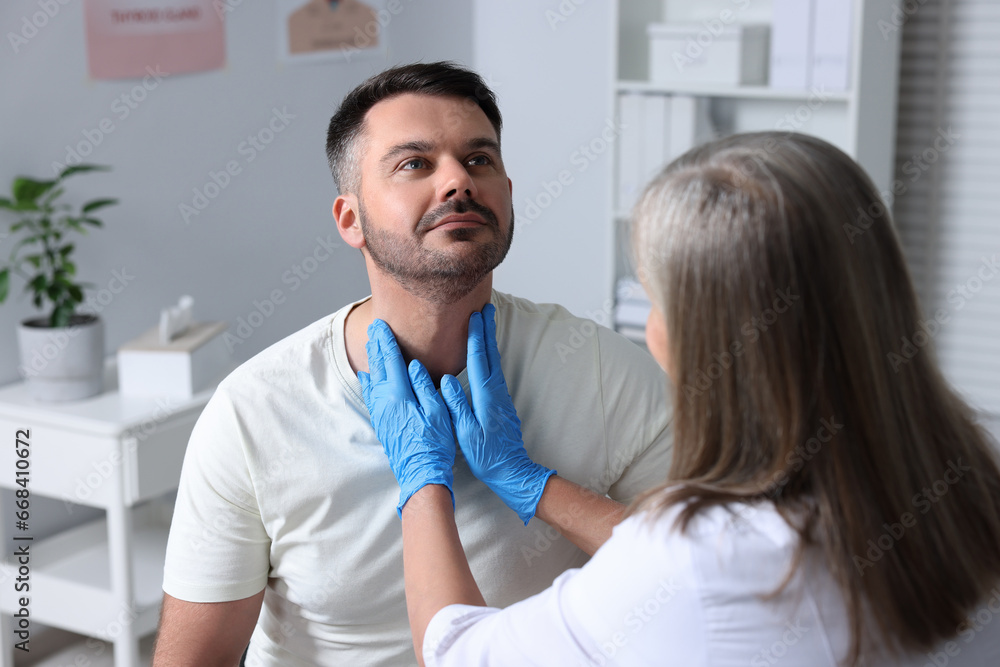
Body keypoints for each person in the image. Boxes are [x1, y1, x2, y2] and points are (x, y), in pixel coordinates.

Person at [360, 132, 1000, 666]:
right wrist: (527, 480)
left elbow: (460, 654)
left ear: (706, 336)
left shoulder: (699, 560)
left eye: (655, 299)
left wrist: (422, 482)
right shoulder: (964, 482)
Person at [152, 62, 673, 666]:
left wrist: (532, 484)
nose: (457, 180)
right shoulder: (255, 411)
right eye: (414, 164)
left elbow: (699, 579)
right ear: (351, 220)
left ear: (507, 192)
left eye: (479, 159)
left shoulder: (601, 370)